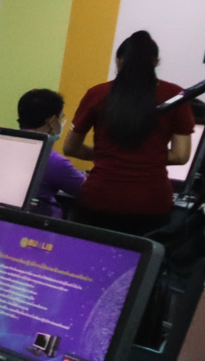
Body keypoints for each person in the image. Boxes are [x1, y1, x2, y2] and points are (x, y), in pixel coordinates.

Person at [61, 30, 190, 235]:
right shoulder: (174, 96)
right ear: (156, 62)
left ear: (118, 60)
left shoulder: (97, 93)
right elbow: (181, 156)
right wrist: (145, 157)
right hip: (152, 202)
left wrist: (108, 155)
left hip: (100, 198)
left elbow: (70, 148)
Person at [15, 88, 87, 218]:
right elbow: (88, 192)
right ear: (53, 122)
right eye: (61, 117)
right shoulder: (52, 160)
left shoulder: (5, 145)